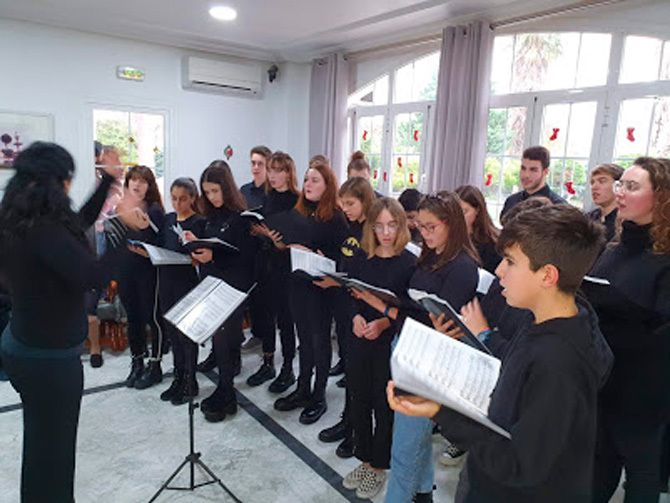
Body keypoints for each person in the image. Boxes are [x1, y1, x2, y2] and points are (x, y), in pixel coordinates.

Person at [388, 204, 613, 502]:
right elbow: (514, 374)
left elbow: (519, 463)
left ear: (547, 276)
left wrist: (440, 410)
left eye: (510, 262)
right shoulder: (545, 319)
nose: (498, 271)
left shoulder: (559, 362)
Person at [0, 142, 143, 502]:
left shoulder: (22, 218)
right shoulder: (43, 230)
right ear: (55, 182)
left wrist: (107, 182)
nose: (68, 187)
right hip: (47, 361)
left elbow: (75, 227)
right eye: (67, 180)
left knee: (42, 447)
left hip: (25, 346)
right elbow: (91, 276)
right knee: (54, 454)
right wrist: (128, 230)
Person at [353, 191, 479, 502]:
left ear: (451, 224)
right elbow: (416, 310)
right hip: (408, 345)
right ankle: (423, 494)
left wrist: (382, 308)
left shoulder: (463, 267)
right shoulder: (430, 255)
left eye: (430, 227)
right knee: (414, 438)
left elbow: (437, 326)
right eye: (420, 227)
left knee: (404, 448)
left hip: (429, 358)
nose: (424, 234)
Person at [584, 157, 670, 503]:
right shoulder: (613, 249)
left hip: (643, 389)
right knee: (598, 466)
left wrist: (615, 306)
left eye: (631, 187)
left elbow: (661, 332)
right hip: (605, 378)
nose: (620, 192)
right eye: (621, 185)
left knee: (641, 473)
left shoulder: (665, 259)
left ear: (661, 197)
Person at [342, 198, 416, 500]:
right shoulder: (361, 257)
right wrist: (356, 317)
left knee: (383, 404)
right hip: (360, 337)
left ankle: (379, 465)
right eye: (380, 226)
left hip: (388, 343)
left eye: (392, 225)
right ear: (371, 228)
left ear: (401, 226)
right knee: (358, 398)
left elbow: (409, 311)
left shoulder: (409, 263)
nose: (386, 233)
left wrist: (383, 324)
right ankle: (364, 458)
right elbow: (351, 295)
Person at [274, 159, 349, 425]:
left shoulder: (337, 218)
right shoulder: (299, 213)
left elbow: (344, 258)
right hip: (298, 283)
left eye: (315, 180)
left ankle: (319, 395)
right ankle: (303, 387)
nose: (308, 184)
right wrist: (281, 244)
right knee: (303, 339)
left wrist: (319, 255)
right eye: (306, 179)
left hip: (321, 287)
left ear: (328, 186)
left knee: (319, 341)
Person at [188, 161, 256, 422]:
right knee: (219, 341)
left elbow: (245, 258)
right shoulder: (210, 216)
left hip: (232, 287)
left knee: (227, 341)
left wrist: (213, 256)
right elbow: (210, 245)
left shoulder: (241, 218)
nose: (211, 197)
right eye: (207, 192)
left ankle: (227, 392)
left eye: (215, 191)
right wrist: (194, 245)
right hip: (211, 283)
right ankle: (224, 390)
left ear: (226, 188)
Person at [318, 176, 376, 458]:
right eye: (343, 204)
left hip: (364, 312)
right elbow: (346, 262)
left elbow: (367, 275)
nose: (346, 209)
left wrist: (339, 282)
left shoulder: (372, 232)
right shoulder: (349, 226)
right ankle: (347, 420)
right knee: (351, 372)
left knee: (361, 376)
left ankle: (357, 431)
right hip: (345, 306)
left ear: (365, 201)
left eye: (351, 203)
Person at [146, 178, 205, 406]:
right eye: (174, 199)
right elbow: (161, 244)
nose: (178, 204)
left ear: (192, 198)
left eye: (182, 199)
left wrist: (194, 254)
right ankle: (178, 377)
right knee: (172, 333)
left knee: (186, 334)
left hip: (186, 283)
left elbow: (200, 254)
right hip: (166, 281)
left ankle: (190, 380)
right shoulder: (169, 219)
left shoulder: (199, 222)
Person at [246, 151, 300, 392]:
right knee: (266, 315)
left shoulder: (297, 200)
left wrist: (274, 237)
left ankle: (288, 367)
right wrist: (259, 231)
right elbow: (265, 226)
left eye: (278, 170)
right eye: (271, 170)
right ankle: (268, 363)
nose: (273, 175)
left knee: (286, 319)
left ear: (288, 173)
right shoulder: (267, 197)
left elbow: (298, 236)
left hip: (286, 266)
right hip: (265, 262)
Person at [118, 166, 166, 389]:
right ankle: (137, 362)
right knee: (133, 318)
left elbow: (162, 243)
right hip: (126, 270)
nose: (137, 184)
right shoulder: (122, 208)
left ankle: (155, 365)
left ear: (150, 186)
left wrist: (147, 229)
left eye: (142, 181)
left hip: (148, 272)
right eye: (133, 180)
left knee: (152, 317)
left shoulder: (155, 210)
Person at [240, 145, 272, 352]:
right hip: (247, 250)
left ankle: (266, 340)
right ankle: (256, 334)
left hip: (267, 251)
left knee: (265, 300)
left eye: (260, 163)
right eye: (253, 163)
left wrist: (264, 231)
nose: (256, 167)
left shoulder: (272, 192)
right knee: (251, 298)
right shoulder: (244, 191)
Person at [500, 146, 566, 219]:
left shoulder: (559, 207)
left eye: (533, 170)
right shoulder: (511, 201)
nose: (526, 175)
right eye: (523, 168)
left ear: (545, 172)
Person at [456, 185, 501, 274]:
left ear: (477, 210)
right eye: (455, 211)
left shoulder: (491, 243)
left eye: (464, 211)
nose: (458, 217)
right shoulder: (447, 237)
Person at [588, 163, 624, 242]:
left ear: (618, 186)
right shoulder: (588, 218)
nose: (594, 187)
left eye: (602, 181)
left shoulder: (625, 222)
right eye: (592, 182)